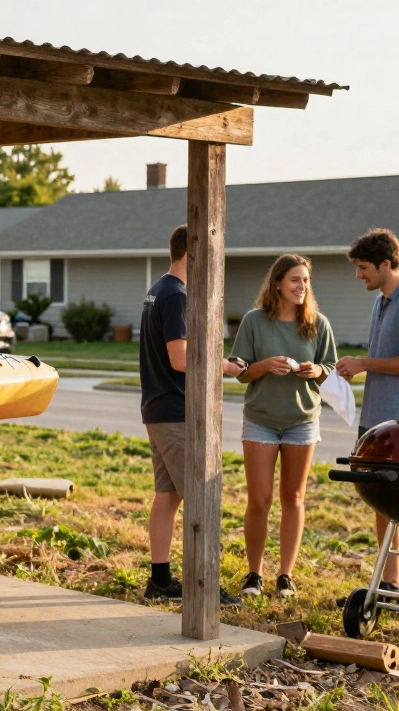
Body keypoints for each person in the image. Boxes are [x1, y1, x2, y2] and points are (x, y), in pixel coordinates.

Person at [140, 224, 245, 605]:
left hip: (158, 408)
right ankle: (205, 585)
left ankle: (161, 581)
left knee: (167, 497)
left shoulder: (158, 290)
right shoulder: (177, 296)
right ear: (192, 252)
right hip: (176, 412)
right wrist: (225, 366)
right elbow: (181, 358)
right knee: (201, 498)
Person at [335, 228, 399, 608]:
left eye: (363, 268)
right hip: (377, 421)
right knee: (381, 501)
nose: (359, 274)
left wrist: (364, 364)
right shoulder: (382, 300)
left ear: (386, 264)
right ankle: (388, 585)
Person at [228, 255, 337, 598]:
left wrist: (316, 371)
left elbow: (330, 367)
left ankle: (285, 575)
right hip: (260, 419)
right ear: (277, 283)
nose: (301, 286)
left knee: (293, 498)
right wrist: (263, 366)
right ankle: (254, 574)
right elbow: (241, 371)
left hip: (302, 422)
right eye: (294, 280)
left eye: (305, 280)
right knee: (259, 500)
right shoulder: (254, 322)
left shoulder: (317, 324)